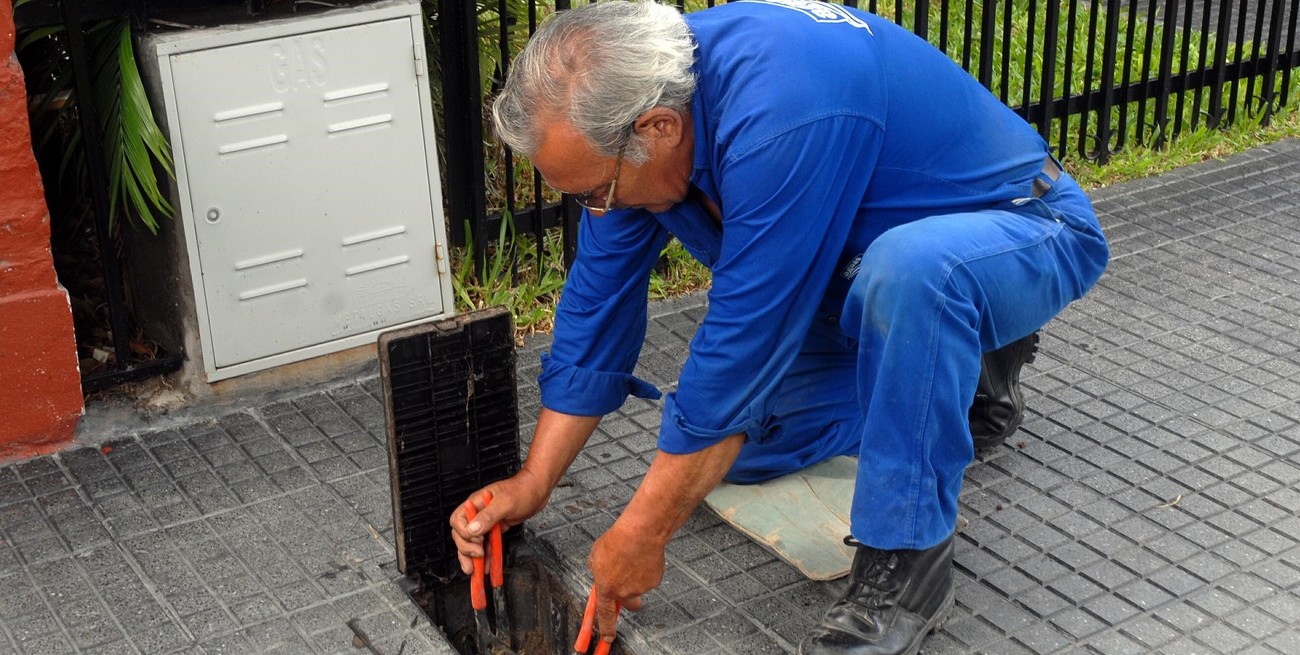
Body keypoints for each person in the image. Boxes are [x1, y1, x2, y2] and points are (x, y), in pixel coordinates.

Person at [450, 1, 1110, 653]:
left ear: (658, 128)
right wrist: (534, 482)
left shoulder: (781, 110)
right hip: (850, 279)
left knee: (913, 275)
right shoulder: (638, 107)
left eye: (595, 192)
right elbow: (597, 307)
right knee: (740, 452)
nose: (596, 207)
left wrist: (643, 535)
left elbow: (744, 344)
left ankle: (908, 568)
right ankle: (959, 374)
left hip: (1023, 227)